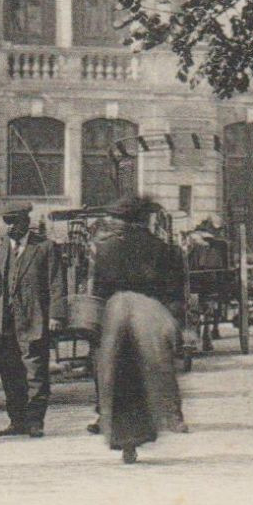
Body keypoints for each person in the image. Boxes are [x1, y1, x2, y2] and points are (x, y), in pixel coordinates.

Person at [92, 194, 188, 464]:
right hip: (150, 312)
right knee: (151, 369)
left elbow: (99, 289)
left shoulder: (106, 248)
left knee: (116, 373)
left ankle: (123, 438)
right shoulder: (162, 248)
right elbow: (174, 288)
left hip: (117, 312)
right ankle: (151, 426)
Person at [0, 202, 65, 438]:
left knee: (35, 372)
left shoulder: (45, 247)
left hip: (33, 319)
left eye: (15, 222)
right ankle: (16, 420)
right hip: (3, 322)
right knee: (10, 372)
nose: (11, 227)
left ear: (27, 221)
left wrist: (56, 315)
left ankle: (35, 421)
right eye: (7, 222)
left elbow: (56, 284)